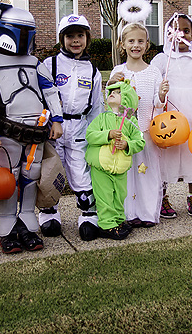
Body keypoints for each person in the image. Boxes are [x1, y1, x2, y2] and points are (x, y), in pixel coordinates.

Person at [0, 3, 63, 254]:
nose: (24, 38)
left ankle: (26, 224)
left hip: (37, 132)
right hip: (8, 134)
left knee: (31, 176)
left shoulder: (35, 63)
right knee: (7, 179)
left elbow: (50, 91)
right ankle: (7, 228)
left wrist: (57, 119)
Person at [40, 14, 104, 241]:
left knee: (80, 171)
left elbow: (96, 106)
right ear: (62, 39)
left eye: (80, 35)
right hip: (54, 128)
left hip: (79, 128)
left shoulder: (93, 71)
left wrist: (97, 133)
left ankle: (88, 215)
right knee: (50, 170)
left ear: (87, 38)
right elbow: (40, 95)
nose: (75, 40)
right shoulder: (50, 65)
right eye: (70, 36)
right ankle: (49, 213)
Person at [107, 19, 169, 228]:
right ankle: (129, 212)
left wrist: (161, 94)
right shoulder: (118, 71)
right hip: (124, 133)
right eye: (131, 41)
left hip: (145, 132)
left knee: (147, 173)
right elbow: (110, 101)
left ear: (147, 45)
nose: (136, 45)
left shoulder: (153, 72)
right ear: (122, 44)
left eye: (141, 41)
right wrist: (111, 83)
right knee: (127, 173)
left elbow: (157, 103)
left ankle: (147, 212)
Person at [150, 13, 192, 218]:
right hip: (169, 112)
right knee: (167, 152)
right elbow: (155, 85)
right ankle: (162, 196)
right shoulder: (161, 59)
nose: (181, 34)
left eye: (186, 31)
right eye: (177, 30)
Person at [85, 79, 146, 240]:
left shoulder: (131, 122)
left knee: (120, 195)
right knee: (104, 195)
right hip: (102, 165)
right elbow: (90, 135)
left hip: (120, 167)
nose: (112, 93)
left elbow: (140, 140)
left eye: (118, 92)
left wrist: (127, 144)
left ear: (127, 98)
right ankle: (107, 225)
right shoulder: (102, 118)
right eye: (111, 92)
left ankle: (118, 220)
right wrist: (108, 135)